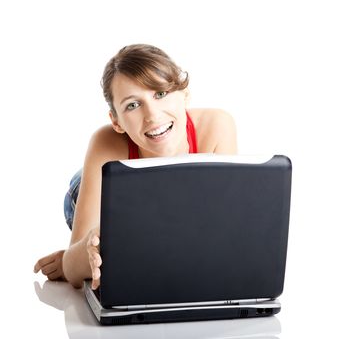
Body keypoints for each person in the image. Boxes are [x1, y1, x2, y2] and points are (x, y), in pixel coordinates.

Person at [34, 44, 237, 290]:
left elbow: (221, 227)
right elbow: (75, 268)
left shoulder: (217, 126)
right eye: (132, 105)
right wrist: (76, 256)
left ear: (184, 94)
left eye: (160, 94)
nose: (152, 115)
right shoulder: (105, 143)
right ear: (116, 122)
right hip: (91, 191)